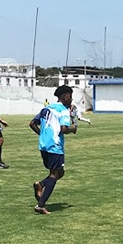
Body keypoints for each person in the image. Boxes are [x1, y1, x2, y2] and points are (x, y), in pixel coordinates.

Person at [29, 85, 77, 215]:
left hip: (43, 145)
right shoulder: (63, 110)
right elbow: (64, 129)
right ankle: (41, 205)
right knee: (55, 174)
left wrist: (43, 135)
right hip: (55, 146)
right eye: (70, 96)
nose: (71, 99)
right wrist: (73, 128)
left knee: (60, 172)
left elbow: (32, 123)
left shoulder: (47, 108)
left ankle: (41, 184)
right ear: (63, 96)